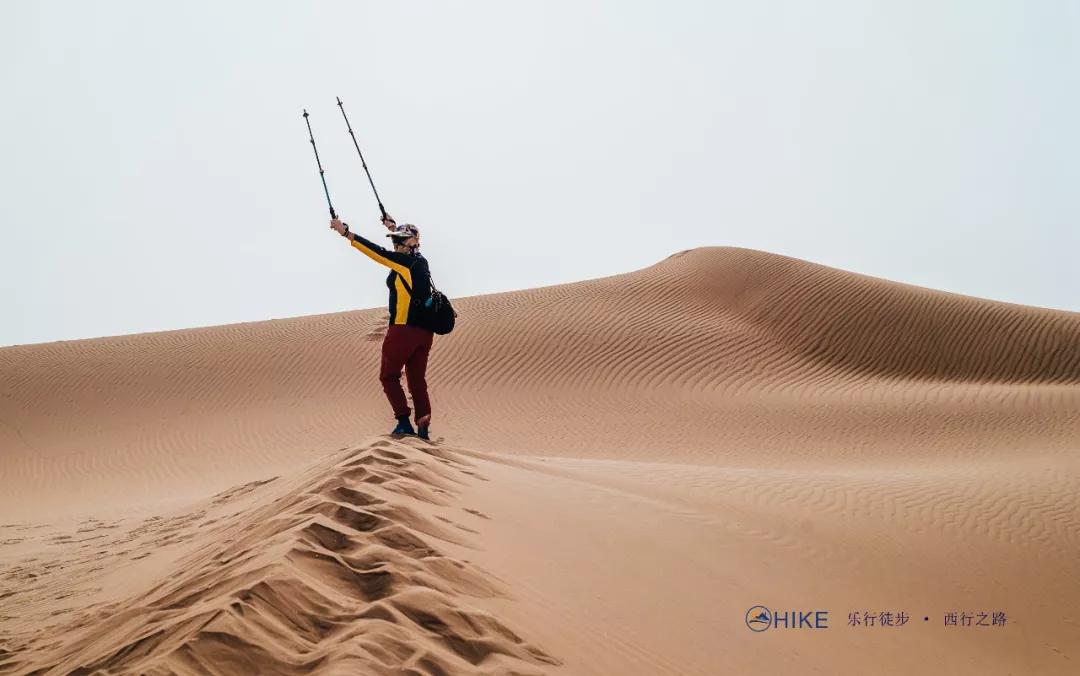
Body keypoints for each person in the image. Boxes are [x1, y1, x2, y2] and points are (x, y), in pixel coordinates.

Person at [330, 213, 436, 440]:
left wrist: (346, 232)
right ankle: (423, 426)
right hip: (425, 334)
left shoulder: (403, 262)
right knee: (417, 380)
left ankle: (404, 423)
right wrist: (391, 225)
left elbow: (378, 253)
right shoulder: (421, 261)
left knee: (388, 376)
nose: (396, 243)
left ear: (411, 243)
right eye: (395, 239)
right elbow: (402, 242)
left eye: (400, 240)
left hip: (402, 330)